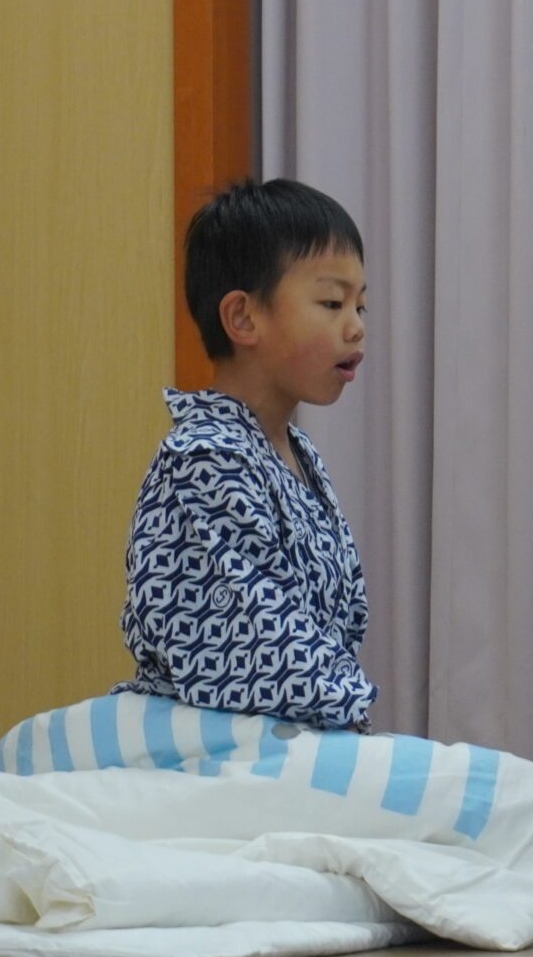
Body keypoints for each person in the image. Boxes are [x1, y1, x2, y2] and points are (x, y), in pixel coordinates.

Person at [115, 177, 376, 730]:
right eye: (332, 303)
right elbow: (254, 648)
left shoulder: (297, 453)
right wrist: (351, 717)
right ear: (242, 318)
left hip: (291, 730)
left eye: (361, 305)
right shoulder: (204, 457)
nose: (356, 327)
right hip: (215, 738)